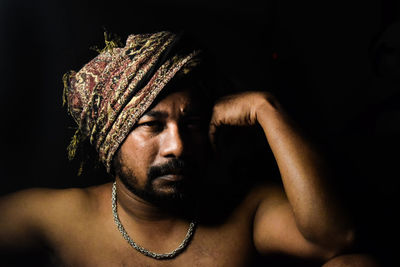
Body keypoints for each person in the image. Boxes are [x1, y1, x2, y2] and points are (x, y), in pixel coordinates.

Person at [0, 31, 380, 266]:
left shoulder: (247, 212)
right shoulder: (56, 218)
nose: (178, 145)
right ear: (109, 143)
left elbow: (338, 239)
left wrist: (267, 108)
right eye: (151, 125)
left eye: (192, 124)